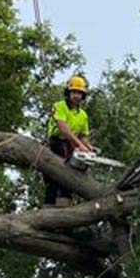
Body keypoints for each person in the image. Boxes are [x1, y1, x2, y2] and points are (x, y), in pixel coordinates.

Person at [44, 74, 96, 207]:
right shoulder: (59, 106)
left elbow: (83, 136)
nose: (76, 96)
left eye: (79, 93)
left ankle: (65, 207)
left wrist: (88, 147)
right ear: (68, 92)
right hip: (56, 143)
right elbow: (63, 129)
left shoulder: (83, 115)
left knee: (71, 176)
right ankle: (48, 208)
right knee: (54, 178)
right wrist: (79, 144)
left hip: (71, 147)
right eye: (74, 92)